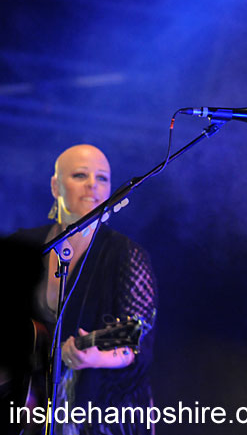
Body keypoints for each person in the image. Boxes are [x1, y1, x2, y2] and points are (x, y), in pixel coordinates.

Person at [9, 144, 157, 435]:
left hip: (102, 412)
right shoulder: (25, 245)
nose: (93, 185)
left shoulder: (126, 255)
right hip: (28, 410)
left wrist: (94, 356)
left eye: (102, 178)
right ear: (55, 186)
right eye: (80, 175)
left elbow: (136, 341)